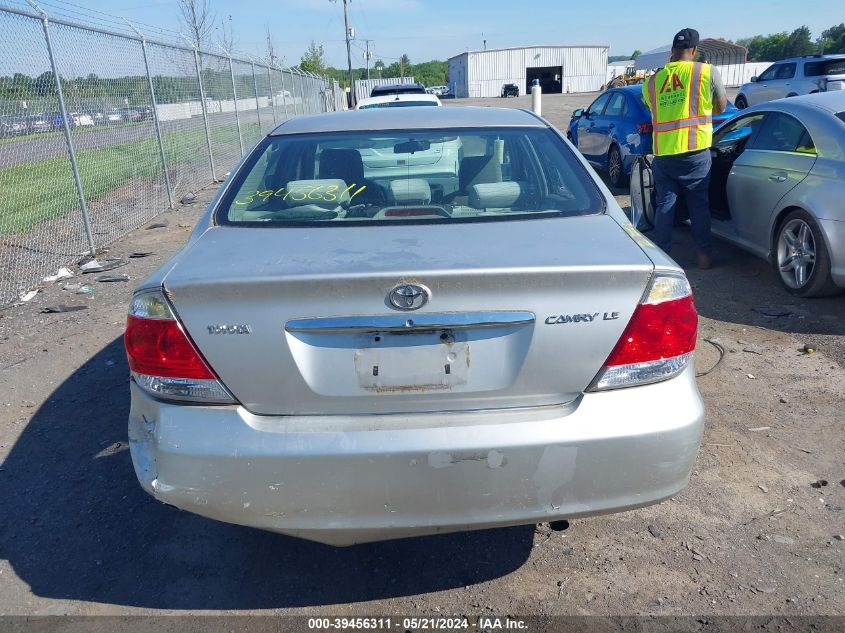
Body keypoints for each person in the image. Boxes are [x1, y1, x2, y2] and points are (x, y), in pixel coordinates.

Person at [642, 28, 727, 269]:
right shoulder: (706, 72)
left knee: (665, 205)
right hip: (695, 151)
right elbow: (721, 107)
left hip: (664, 153)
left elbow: (653, 109)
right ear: (694, 50)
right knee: (698, 204)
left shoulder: (652, 81)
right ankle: (704, 257)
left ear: (672, 52)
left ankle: (662, 259)